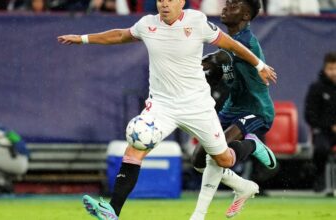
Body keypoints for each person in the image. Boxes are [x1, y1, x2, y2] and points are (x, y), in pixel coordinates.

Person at [57, 0, 277, 219]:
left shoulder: (197, 21)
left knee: (224, 160)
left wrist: (259, 65)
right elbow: (120, 35)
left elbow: (230, 43)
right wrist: (83, 39)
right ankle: (113, 210)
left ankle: (251, 145)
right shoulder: (147, 24)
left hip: (197, 106)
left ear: (181, 2)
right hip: (162, 106)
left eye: (170, 0)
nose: (164, 4)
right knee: (134, 148)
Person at [190, 0, 276, 219]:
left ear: (246, 16)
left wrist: (189, 62)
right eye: (226, 3)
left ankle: (199, 214)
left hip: (256, 109)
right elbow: (216, 73)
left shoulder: (246, 41)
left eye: (234, 5)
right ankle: (242, 186)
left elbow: (216, 60)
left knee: (220, 148)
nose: (226, 7)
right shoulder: (225, 43)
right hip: (231, 109)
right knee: (198, 159)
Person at [304, 52, 336, 192]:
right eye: (330, 68)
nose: (334, 72)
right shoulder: (316, 88)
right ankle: (319, 178)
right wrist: (330, 126)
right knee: (321, 148)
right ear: (324, 69)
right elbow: (310, 115)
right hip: (323, 132)